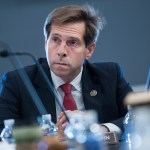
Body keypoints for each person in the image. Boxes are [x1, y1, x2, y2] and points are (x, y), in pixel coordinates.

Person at [0, 5, 132, 139]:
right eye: (55, 40)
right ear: (46, 43)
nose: (61, 51)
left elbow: (139, 116)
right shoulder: (18, 82)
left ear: (89, 50)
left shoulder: (110, 75)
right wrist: (52, 136)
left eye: (72, 42)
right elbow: (3, 132)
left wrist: (98, 129)